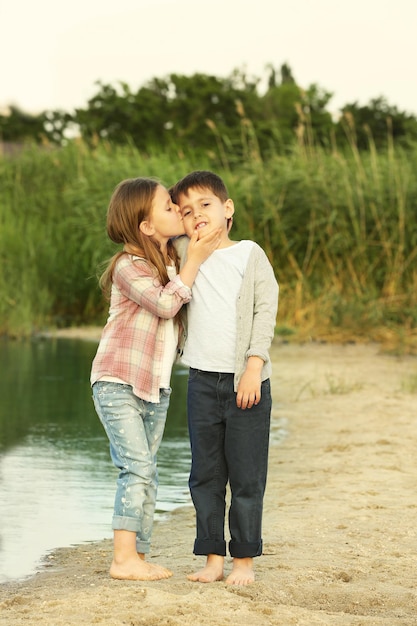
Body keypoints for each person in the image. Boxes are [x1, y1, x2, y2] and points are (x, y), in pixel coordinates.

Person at [90, 177, 221, 581]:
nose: (179, 213)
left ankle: (137, 554)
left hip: (155, 386)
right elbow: (166, 305)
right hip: (118, 381)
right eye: (169, 208)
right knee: (136, 467)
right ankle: (122, 559)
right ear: (146, 227)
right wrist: (194, 261)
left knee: (149, 468)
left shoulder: (169, 262)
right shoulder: (129, 266)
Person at [170, 170, 279, 586]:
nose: (197, 215)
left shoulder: (249, 253)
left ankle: (244, 561)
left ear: (227, 209)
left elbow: (263, 313)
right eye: (187, 211)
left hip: (245, 383)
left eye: (205, 205)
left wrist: (254, 366)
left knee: (247, 476)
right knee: (206, 474)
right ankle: (213, 557)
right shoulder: (182, 252)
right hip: (200, 382)